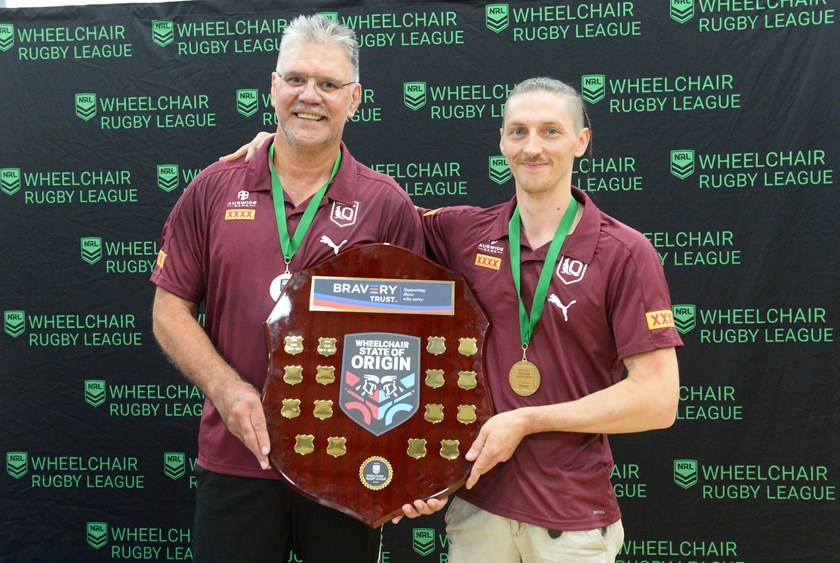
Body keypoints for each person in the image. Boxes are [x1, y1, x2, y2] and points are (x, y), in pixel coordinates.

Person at [227, 77, 682, 562]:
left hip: (569, 521)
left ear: (581, 141)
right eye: (519, 132)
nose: (533, 147)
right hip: (474, 511)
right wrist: (286, 155)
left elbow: (657, 400)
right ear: (502, 142)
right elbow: (364, 213)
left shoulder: (626, 252)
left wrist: (529, 420)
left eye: (551, 131)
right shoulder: (463, 232)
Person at [150, 15, 423, 563]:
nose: (309, 96)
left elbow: (413, 339)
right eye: (296, 79)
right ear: (273, 87)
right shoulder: (212, 189)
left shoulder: (386, 204)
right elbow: (169, 309)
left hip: (346, 462)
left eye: (328, 84)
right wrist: (227, 391)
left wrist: (400, 456)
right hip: (237, 460)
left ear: (355, 99)